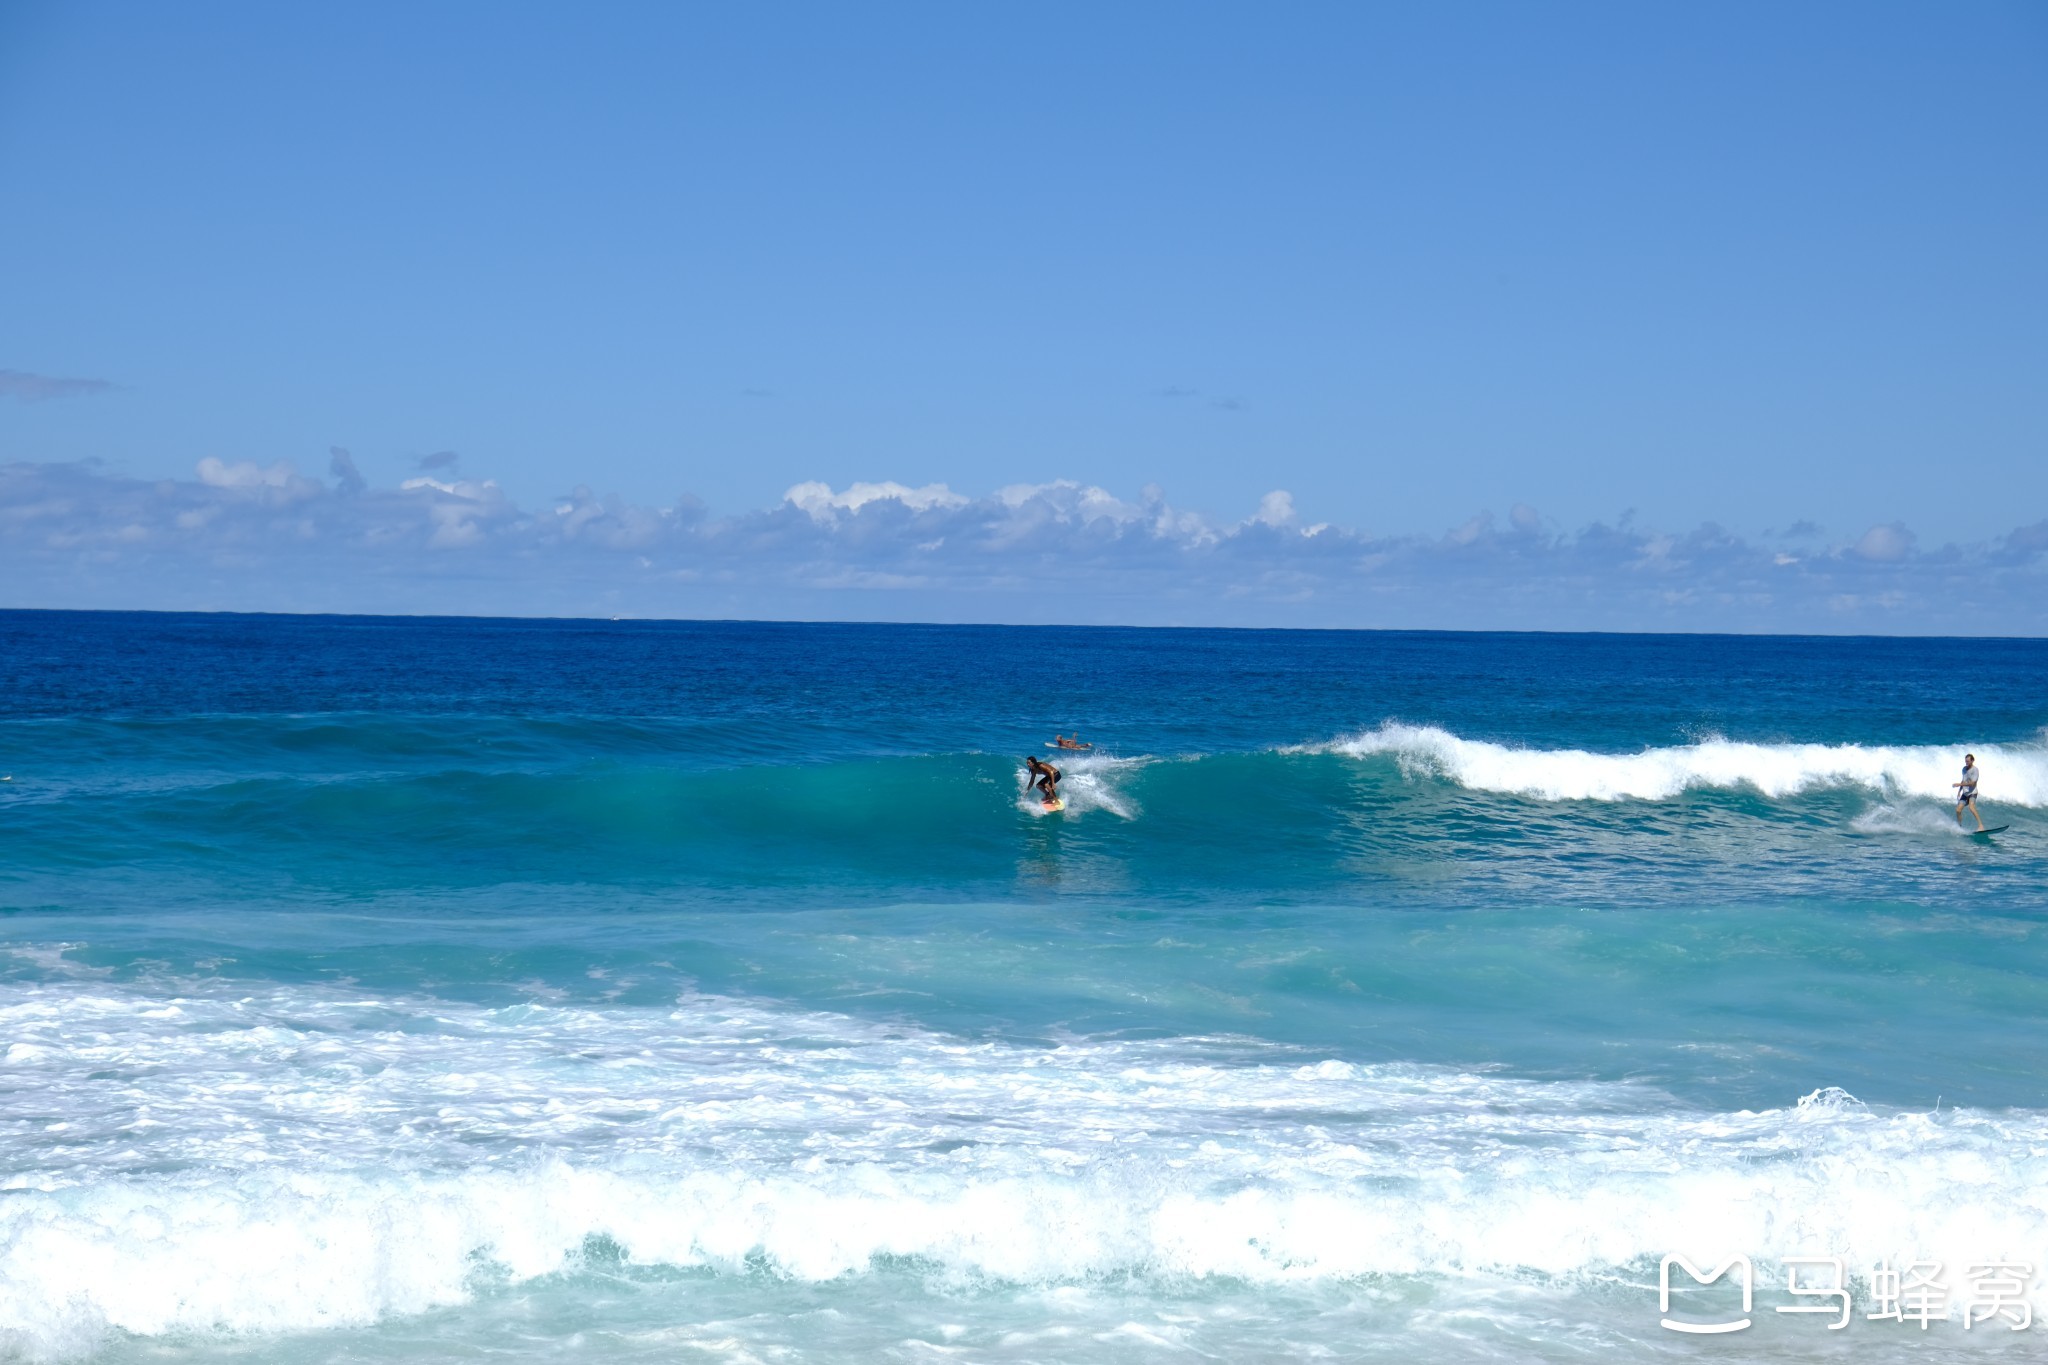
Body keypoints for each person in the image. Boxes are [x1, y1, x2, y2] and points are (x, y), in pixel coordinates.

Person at [1953, 753, 1985, 831]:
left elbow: (1972, 783)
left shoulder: (1975, 770)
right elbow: (1963, 780)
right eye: (1965, 761)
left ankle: (1981, 826)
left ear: (1972, 761)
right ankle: (1959, 826)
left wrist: (1959, 784)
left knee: (1971, 807)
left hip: (1972, 793)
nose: (1966, 763)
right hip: (1965, 793)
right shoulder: (1964, 769)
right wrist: (1959, 790)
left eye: (1968, 761)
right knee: (1958, 810)